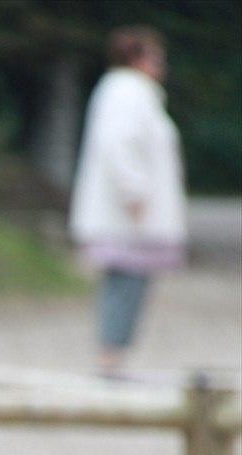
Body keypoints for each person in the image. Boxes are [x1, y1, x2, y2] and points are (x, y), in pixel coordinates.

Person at [69, 27, 187, 375]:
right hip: (129, 213)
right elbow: (119, 145)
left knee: (129, 282)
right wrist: (134, 191)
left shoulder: (128, 91)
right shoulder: (128, 92)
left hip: (130, 211)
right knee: (126, 282)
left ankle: (114, 354)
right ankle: (111, 356)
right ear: (138, 58)